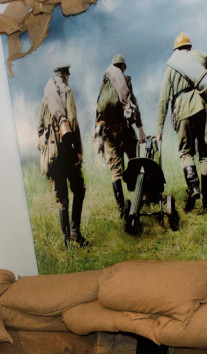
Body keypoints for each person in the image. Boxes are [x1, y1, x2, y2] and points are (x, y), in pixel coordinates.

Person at [155, 33, 207, 213]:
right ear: (189, 47)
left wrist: (159, 129)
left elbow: (163, 100)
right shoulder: (201, 56)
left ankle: (193, 186)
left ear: (176, 50)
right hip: (205, 108)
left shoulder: (171, 66)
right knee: (206, 156)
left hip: (182, 112)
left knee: (186, 152)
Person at [38, 64, 87, 247]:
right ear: (66, 75)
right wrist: (79, 150)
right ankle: (75, 233)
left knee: (61, 197)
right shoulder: (66, 90)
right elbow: (72, 121)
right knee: (79, 189)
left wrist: (46, 146)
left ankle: (66, 242)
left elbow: (39, 127)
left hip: (52, 153)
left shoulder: (47, 94)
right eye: (68, 75)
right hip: (66, 150)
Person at [95, 54, 146, 221]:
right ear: (123, 67)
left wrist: (98, 134)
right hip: (123, 130)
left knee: (116, 171)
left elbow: (98, 110)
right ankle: (140, 195)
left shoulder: (105, 82)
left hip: (108, 132)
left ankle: (122, 210)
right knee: (135, 159)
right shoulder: (125, 81)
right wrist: (140, 129)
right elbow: (134, 106)